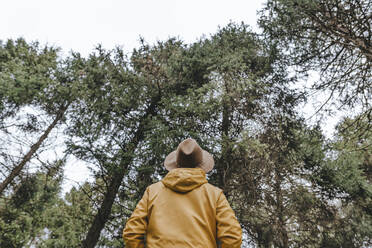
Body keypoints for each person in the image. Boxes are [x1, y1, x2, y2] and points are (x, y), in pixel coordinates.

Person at [123, 138, 242, 247]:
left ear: (176, 164)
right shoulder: (215, 195)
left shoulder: (153, 191)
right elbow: (232, 237)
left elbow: (131, 233)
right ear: (200, 165)